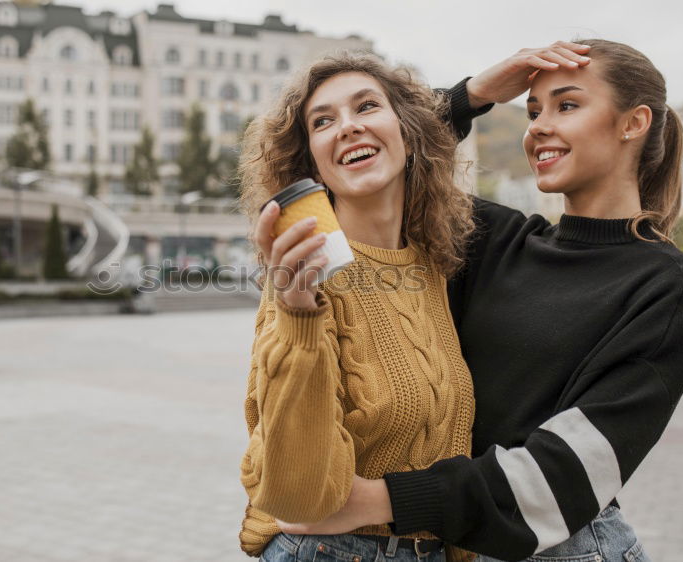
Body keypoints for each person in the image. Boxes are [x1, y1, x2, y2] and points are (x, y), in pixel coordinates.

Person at [277, 39, 683, 562]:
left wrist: (376, 500)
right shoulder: (496, 239)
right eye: (532, 111)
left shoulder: (670, 284)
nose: (537, 128)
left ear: (633, 122)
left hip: (566, 549)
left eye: (566, 106)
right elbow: (379, 155)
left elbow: (572, 467)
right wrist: (474, 93)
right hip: (450, 543)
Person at [237, 43, 594, 561]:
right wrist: (297, 316)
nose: (348, 127)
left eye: (366, 107)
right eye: (322, 122)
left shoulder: (434, 260)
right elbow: (301, 496)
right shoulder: (307, 279)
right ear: (310, 158)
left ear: (410, 132)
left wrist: (475, 93)